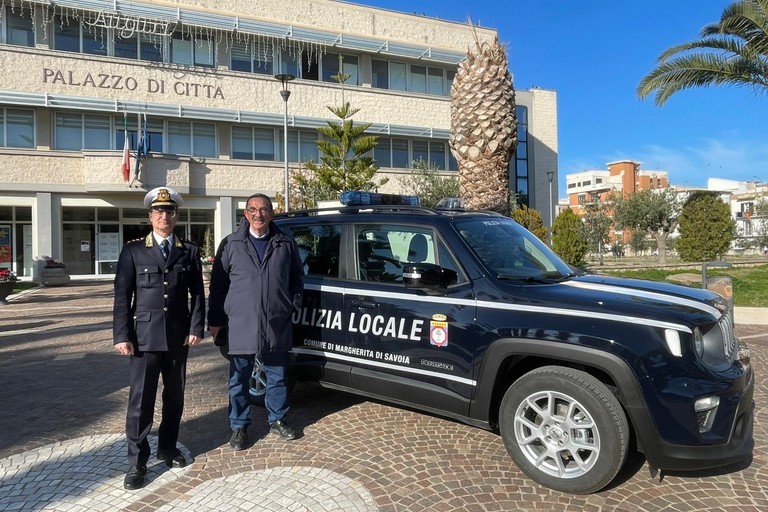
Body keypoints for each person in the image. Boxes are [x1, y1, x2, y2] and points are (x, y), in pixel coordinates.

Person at [113, 186, 205, 490]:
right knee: (141, 401)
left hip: (178, 337)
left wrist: (195, 328)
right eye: (158, 211)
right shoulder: (134, 250)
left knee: (174, 397)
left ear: (176, 216)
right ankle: (137, 461)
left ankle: (168, 447)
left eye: (168, 211)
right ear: (150, 215)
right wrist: (121, 335)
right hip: (143, 338)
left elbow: (197, 294)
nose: (163, 215)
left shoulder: (189, 251)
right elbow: (122, 297)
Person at [208, 193, 304, 450]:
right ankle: (239, 426)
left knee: (278, 376)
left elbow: (296, 277)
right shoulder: (231, 244)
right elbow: (218, 285)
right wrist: (216, 320)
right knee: (239, 378)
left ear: (271, 213)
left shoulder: (285, 243)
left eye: (264, 209)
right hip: (241, 322)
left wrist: (291, 304)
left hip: (276, 322)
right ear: (245, 214)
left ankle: (278, 419)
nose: (258, 214)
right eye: (253, 209)